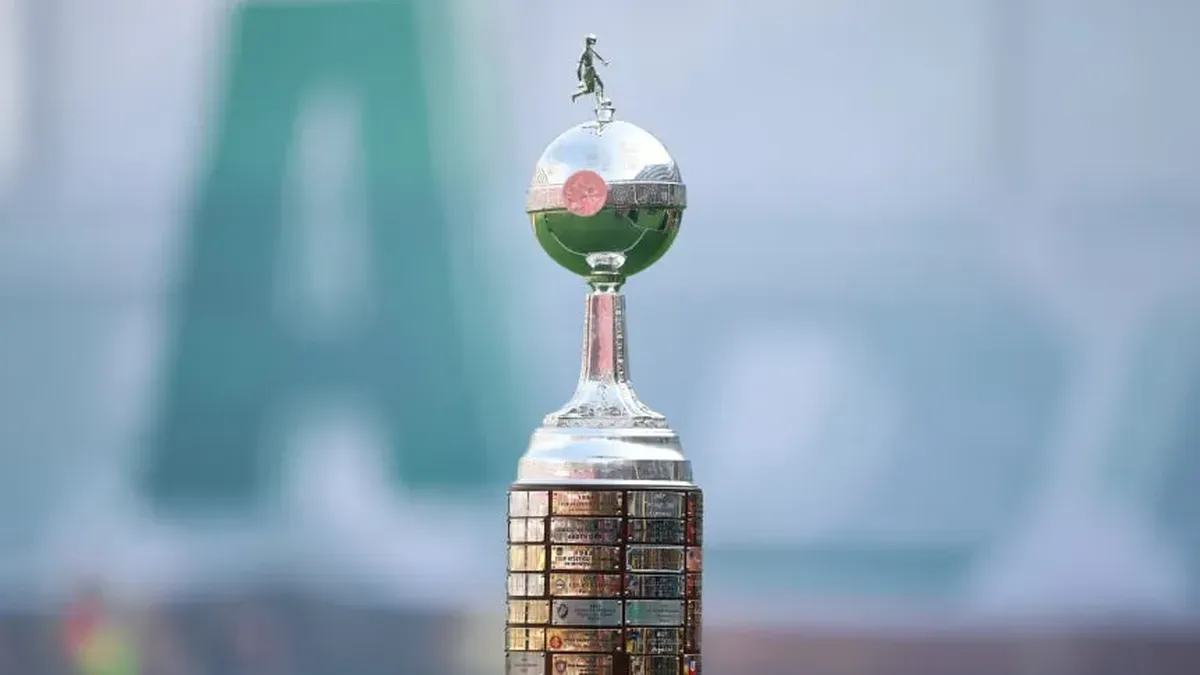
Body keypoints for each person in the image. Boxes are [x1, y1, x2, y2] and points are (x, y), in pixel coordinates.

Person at [571, 34, 608, 103]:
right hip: (587, 71)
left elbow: (596, 55)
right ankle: (600, 100)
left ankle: (575, 95)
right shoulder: (584, 51)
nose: (594, 42)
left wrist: (603, 61)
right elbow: (578, 66)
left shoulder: (590, 49)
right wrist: (580, 80)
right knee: (592, 88)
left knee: (596, 87)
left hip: (591, 69)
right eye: (592, 41)